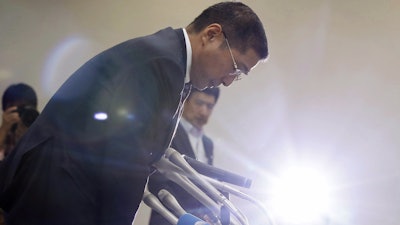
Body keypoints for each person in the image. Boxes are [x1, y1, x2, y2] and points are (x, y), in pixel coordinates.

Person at [0, 2, 269, 225]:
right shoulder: (159, 64)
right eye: (236, 68)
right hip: (58, 191)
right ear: (211, 35)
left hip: (67, 188)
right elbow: (124, 161)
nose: (228, 82)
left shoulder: (169, 59)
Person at [148, 87, 220, 225]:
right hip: (169, 219)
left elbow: (204, 182)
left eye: (209, 106)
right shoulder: (168, 132)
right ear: (186, 101)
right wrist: (193, 214)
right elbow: (157, 182)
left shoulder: (207, 143)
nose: (203, 111)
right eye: (199, 103)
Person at [0, 83, 39, 162]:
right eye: (19, 110)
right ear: (5, 110)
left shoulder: (42, 135)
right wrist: (3, 131)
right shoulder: (3, 136)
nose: (22, 114)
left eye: (26, 108)